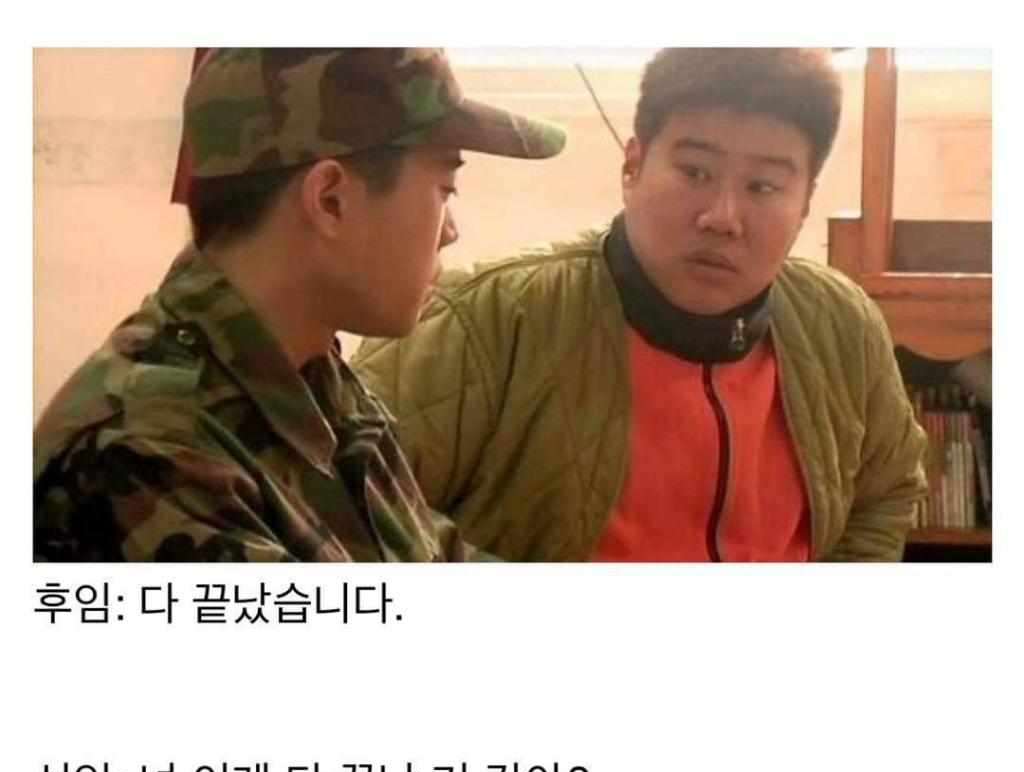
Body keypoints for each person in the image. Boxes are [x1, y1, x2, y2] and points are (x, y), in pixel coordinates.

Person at [353, 48, 928, 562]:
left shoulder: (840, 322)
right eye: (695, 172)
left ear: (804, 203)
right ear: (632, 166)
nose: (722, 217)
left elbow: (886, 491)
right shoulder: (489, 319)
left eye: (763, 187)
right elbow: (348, 508)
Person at [33, 48, 565, 561]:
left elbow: (429, 556)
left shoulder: (307, 370)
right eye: (445, 189)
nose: (450, 231)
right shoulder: (149, 456)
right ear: (330, 199)